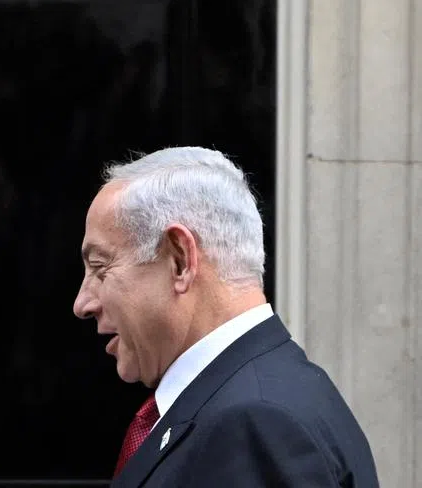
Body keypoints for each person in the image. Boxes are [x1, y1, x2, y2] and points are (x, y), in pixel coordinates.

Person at [73, 147, 378, 487]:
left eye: (100, 268)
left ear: (179, 261)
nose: (83, 303)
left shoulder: (255, 422)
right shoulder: (264, 395)